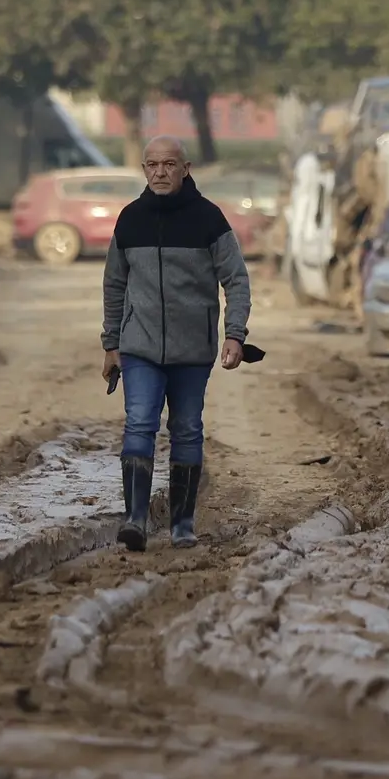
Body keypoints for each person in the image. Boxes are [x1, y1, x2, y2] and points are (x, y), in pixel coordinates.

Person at [101, 135, 251, 550]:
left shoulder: (209, 220)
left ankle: (183, 523)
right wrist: (111, 342)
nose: (160, 172)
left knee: (186, 429)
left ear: (186, 169)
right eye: (152, 165)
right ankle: (135, 519)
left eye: (169, 164)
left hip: (191, 350)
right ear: (144, 170)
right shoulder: (129, 219)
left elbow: (235, 280)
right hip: (139, 347)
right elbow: (114, 284)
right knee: (139, 423)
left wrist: (235, 333)